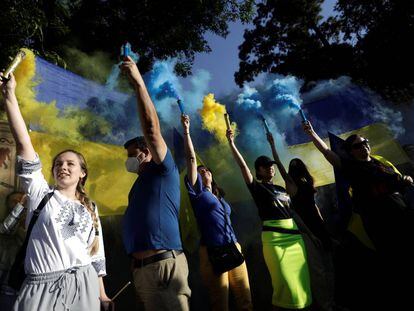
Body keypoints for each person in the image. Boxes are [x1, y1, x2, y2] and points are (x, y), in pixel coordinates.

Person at [1, 72, 110, 311]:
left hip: (84, 289)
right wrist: (9, 95)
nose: (63, 166)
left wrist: (101, 295)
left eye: (70, 163)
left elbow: (95, 255)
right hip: (39, 290)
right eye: (58, 163)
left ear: (83, 172)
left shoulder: (91, 208)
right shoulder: (41, 194)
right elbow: (23, 144)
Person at [302, 120, 414, 308]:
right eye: (357, 146)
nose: (363, 147)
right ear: (351, 151)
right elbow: (328, 153)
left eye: (365, 142)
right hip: (381, 221)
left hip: (402, 213)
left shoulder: (380, 162)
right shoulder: (351, 167)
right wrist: (312, 134)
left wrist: (406, 179)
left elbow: (396, 181)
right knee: (396, 263)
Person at [120, 57, 190, 310]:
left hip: (165, 268)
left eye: (132, 155)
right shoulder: (137, 186)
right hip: (141, 272)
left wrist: (138, 82)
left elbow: (151, 130)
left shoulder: (164, 170)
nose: (129, 161)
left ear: (146, 152)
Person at [226, 128, 312, 310]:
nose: (270, 167)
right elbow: (242, 167)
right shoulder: (257, 188)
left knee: (300, 285)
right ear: (258, 171)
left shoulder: (282, 189)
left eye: (270, 165)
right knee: (284, 285)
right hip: (275, 240)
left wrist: (273, 146)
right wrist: (231, 143)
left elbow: (281, 168)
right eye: (265, 166)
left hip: (295, 240)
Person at [180, 114, 252, 311]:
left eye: (207, 171)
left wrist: (231, 142)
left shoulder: (219, 197)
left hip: (233, 246)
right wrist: (186, 131)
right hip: (212, 252)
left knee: (245, 300)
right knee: (220, 303)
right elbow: (192, 159)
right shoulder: (198, 194)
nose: (204, 172)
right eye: (200, 171)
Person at [288, 158, 336, 311]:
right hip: (306, 230)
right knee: (318, 271)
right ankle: (325, 305)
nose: (297, 168)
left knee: (328, 266)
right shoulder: (292, 185)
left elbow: (314, 206)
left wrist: (323, 226)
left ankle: (331, 302)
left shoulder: (307, 183)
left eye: (299, 165)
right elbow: (297, 215)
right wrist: (272, 146)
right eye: (294, 167)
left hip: (319, 227)